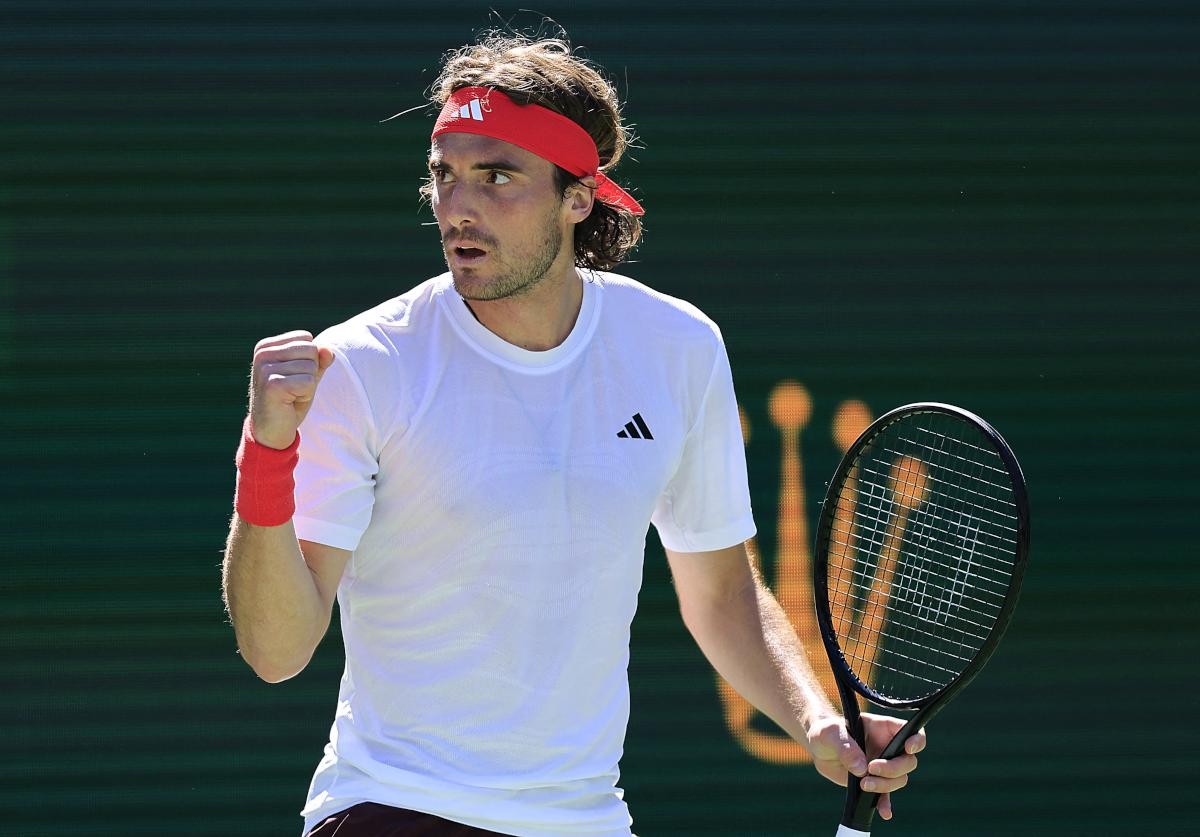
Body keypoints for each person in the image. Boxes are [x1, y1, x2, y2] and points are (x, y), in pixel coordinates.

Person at [221, 32, 926, 837]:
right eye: (445, 175)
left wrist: (818, 721)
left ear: (579, 196)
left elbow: (723, 595)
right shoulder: (360, 364)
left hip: (586, 818)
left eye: (497, 176)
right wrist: (266, 451)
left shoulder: (678, 348)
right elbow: (275, 651)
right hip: (395, 807)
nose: (457, 206)